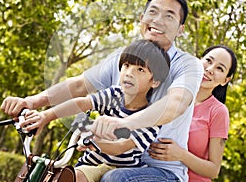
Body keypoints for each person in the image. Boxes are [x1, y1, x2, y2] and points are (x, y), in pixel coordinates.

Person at [1, 0, 204, 181]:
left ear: (180, 30)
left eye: (169, 16)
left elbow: (176, 103)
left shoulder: (188, 64)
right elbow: (80, 86)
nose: (158, 20)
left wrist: (123, 124)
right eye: (153, 12)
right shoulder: (123, 58)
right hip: (101, 159)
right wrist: (33, 104)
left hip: (160, 171)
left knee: (113, 178)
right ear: (142, 18)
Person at [20, 39, 170, 182]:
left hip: (121, 170)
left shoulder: (151, 117)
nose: (129, 73)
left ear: (155, 81)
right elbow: (83, 102)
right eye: (126, 65)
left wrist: (95, 142)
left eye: (140, 69)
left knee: (78, 176)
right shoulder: (113, 95)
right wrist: (45, 116)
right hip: (89, 164)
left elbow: (121, 147)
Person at [146, 45, 237, 182]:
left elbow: (213, 171)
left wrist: (181, 155)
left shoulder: (218, 111)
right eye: (209, 61)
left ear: (225, 80)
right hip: (150, 171)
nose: (210, 69)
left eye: (220, 68)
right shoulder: (171, 93)